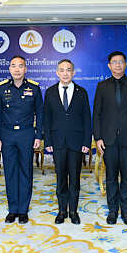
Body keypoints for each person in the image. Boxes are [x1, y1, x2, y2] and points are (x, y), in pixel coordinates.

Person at [93, 51, 127, 225]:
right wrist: (98, 137)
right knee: (110, 176)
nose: (118, 65)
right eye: (114, 62)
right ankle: (112, 211)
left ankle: (126, 211)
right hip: (107, 139)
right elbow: (97, 114)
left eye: (121, 61)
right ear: (109, 65)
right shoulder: (102, 86)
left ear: (125, 64)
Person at [0, 55, 44, 224]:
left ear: (25, 69)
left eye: (20, 66)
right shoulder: (1, 88)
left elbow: (40, 113)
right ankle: (12, 209)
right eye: (14, 66)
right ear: (9, 69)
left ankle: (23, 210)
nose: (17, 69)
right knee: (10, 173)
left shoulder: (34, 88)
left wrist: (38, 135)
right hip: (7, 135)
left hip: (26, 134)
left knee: (25, 172)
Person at [44, 59, 92, 225]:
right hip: (57, 141)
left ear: (73, 72)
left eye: (68, 70)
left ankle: (73, 211)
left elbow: (87, 119)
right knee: (61, 178)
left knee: (75, 178)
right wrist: (48, 141)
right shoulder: (50, 92)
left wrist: (86, 142)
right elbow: (47, 118)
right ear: (57, 73)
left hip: (76, 142)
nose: (65, 73)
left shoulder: (82, 92)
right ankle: (62, 210)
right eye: (62, 70)